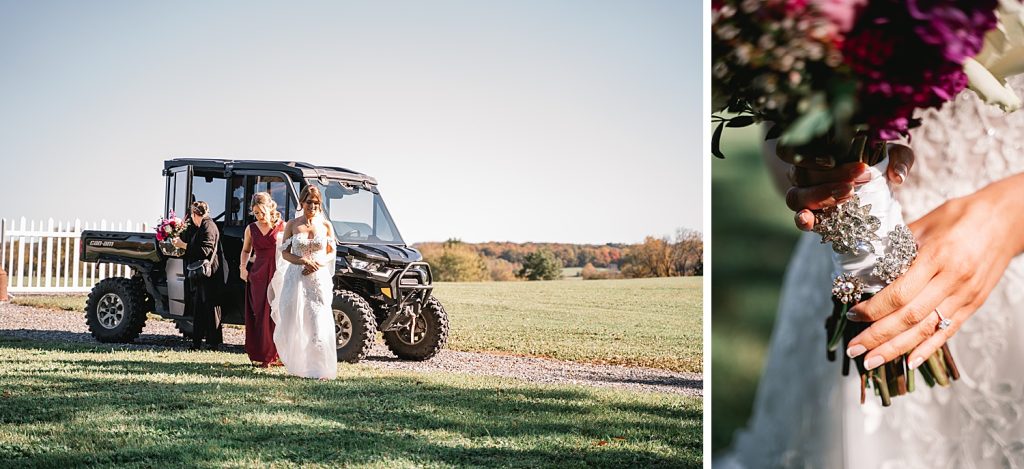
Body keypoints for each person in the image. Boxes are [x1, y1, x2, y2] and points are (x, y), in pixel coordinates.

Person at [719, 78, 1024, 468]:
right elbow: (777, 133)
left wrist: (1006, 220)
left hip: (1003, 261)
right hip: (838, 259)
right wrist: (818, 168)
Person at [268, 185, 338, 380]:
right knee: (295, 319)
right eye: (309, 202)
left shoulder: (325, 226)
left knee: (318, 320)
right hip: (296, 277)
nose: (313, 207)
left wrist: (317, 263)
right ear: (302, 202)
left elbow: (331, 252)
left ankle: (319, 368)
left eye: (316, 203)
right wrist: (302, 261)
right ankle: (299, 365)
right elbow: (285, 253)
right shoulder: (292, 224)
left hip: (317, 278)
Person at [171, 201, 225, 351]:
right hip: (207, 275)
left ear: (195, 214)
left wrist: (184, 246)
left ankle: (212, 343)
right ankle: (199, 342)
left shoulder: (208, 226)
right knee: (202, 308)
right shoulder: (207, 225)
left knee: (209, 307)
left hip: (210, 274)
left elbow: (205, 250)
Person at [240, 192, 284, 367]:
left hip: (277, 274)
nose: (259, 216)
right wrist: (242, 268)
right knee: (259, 314)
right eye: (256, 213)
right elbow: (245, 251)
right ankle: (262, 355)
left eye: (262, 211)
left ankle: (278, 355)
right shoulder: (251, 228)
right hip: (258, 275)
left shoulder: (283, 226)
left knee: (277, 314)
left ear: (270, 207)